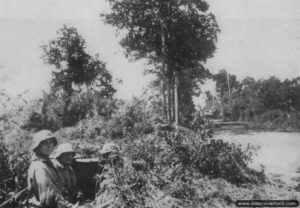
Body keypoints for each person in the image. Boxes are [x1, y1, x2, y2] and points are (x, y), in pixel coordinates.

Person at [27, 130, 77, 208]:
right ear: (37, 146)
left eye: (51, 142)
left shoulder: (48, 164)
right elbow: (50, 197)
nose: (49, 146)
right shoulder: (39, 167)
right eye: (45, 143)